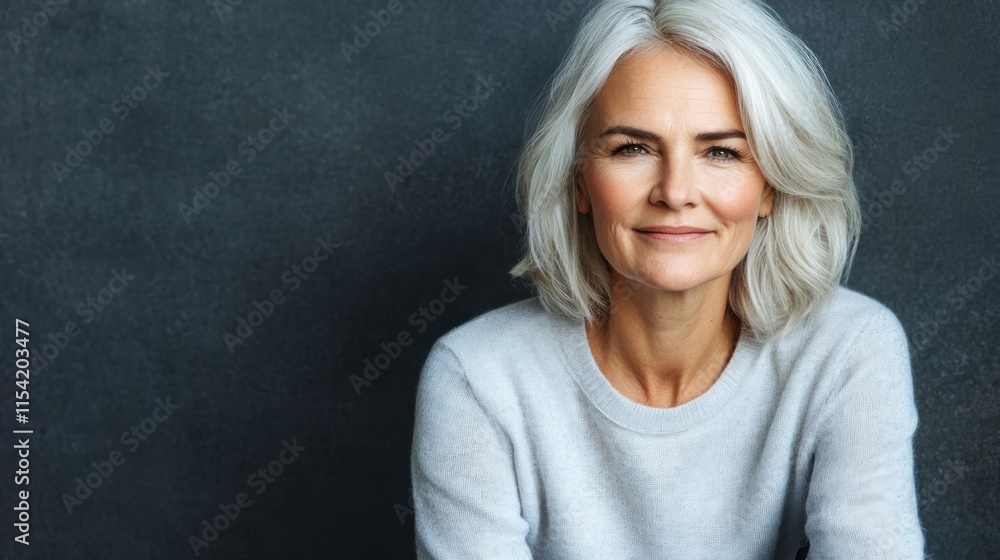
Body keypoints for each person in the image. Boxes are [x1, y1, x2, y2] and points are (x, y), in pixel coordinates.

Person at [410, 0, 925, 557]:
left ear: (770, 185)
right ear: (579, 180)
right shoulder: (478, 378)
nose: (675, 191)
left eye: (721, 152)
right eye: (633, 148)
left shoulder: (850, 351)